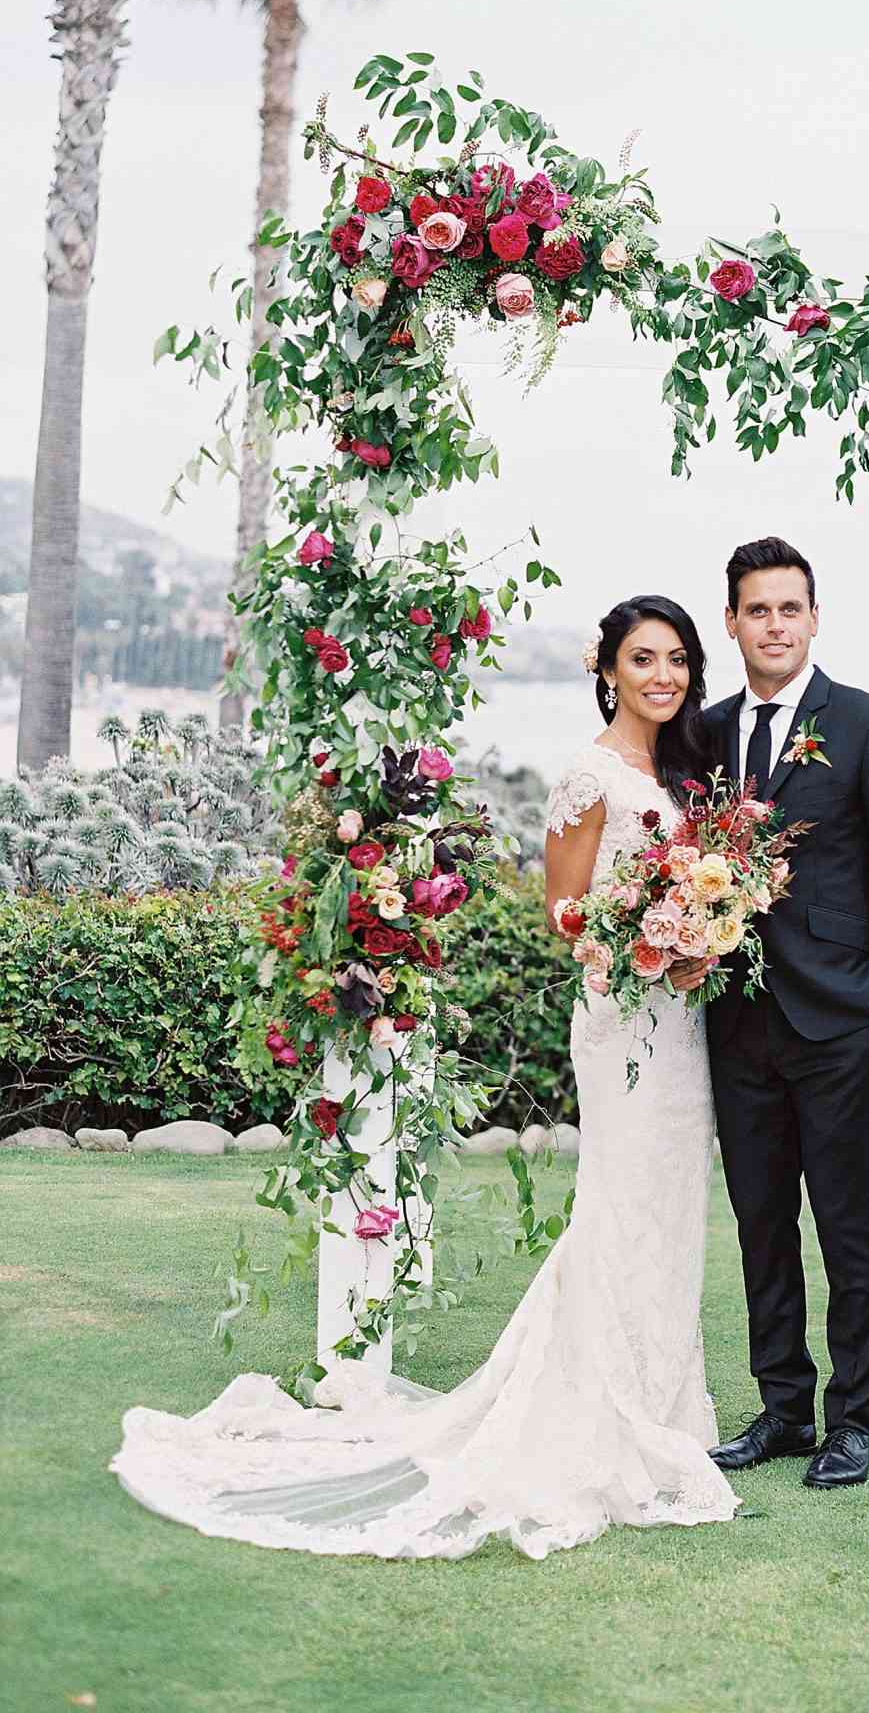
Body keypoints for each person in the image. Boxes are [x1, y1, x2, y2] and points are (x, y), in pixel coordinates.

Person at [110, 595, 739, 1562]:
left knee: (670, 1204)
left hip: (682, 1027)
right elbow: (564, 916)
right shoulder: (588, 775)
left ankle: (665, 1405)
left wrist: (697, 942)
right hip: (621, 1024)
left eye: (679, 660)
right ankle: (603, 1414)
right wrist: (646, 946)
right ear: (606, 670)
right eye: (644, 660)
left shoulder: (686, 772)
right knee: (619, 1206)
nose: (665, 676)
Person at [704, 537, 869, 1489]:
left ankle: (854, 1423)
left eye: (790, 608)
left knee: (847, 1227)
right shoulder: (707, 734)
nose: (775, 626)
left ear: (813, 618)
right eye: (757, 610)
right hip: (737, 1023)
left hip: (841, 1026)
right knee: (762, 1224)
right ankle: (783, 1411)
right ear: (732, 622)